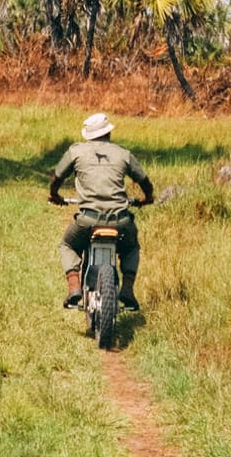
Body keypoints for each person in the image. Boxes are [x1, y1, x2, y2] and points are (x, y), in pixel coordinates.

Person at [49, 112, 154, 310]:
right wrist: (147, 198)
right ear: (108, 133)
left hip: (88, 220)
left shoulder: (76, 151)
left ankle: (73, 286)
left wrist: (55, 195)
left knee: (68, 245)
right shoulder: (123, 154)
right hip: (120, 220)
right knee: (131, 247)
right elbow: (145, 182)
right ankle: (128, 289)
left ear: (88, 134)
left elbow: (56, 177)